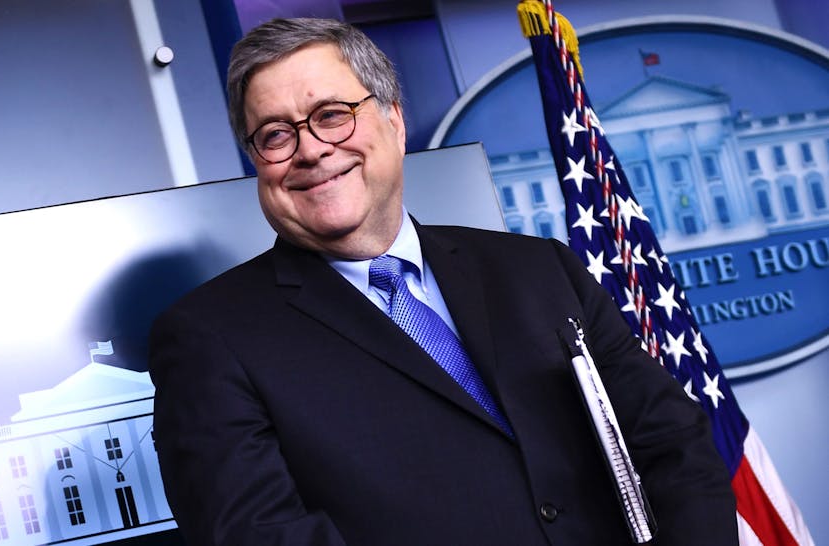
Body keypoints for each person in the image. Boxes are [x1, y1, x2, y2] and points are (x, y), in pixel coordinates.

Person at [148, 17, 737, 546]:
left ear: (394, 121)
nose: (310, 150)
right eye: (276, 135)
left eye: (331, 115)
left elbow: (674, 447)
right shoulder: (208, 339)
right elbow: (260, 538)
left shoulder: (540, 270)